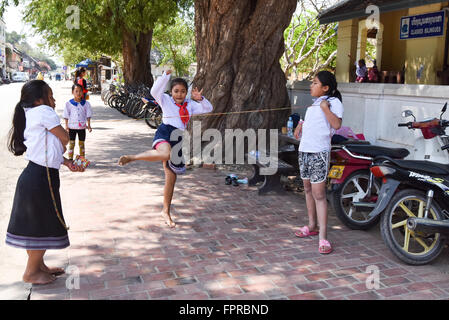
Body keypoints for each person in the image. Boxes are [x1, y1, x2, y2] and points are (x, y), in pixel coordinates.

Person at [6, 80, 84, 285]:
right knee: (41, 225)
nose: (54, 100)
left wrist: (66, 162)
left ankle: (39, 265)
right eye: (50, 96)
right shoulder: (45, 112)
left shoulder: (30, 113)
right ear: (39, 100)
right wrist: (64, 138)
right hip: (40, 178)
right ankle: (31, 272)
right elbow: (65, 138)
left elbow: (47, 148)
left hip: (34, 175)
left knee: (35, 225)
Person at [118, 70, 213, 228]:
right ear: (171, 92)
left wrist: (200, 99)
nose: (179, 94)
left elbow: (208, 108)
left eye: (183, 91)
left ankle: (166, 211)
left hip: (178, 138)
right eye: (176, 91)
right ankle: (132, 157)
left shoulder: (190, 105)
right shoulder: (166, 100)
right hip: (165, 132)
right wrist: (165, 77)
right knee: (165, 153)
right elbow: (155, 91)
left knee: (171, 178)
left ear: (186, 93)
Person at [293, 71, 344, 254]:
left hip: (319, 153)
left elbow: (336, 125)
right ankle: (312, 225)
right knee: (307, 189)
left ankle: (323, 236)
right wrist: (300, 125)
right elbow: (310, 124)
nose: (311, 86)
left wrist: (325, 108)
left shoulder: (332, 103)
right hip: (304, 150)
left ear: (325, 88)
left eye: (314, 83)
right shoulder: (313, 104)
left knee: (319, 194)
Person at [63, 83, 93, 160]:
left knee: (81, 144)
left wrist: (89, 126)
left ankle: (82, 159)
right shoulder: (68, 104)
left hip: (82, 128)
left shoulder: (86, 104)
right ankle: (70, 159)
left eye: (80, 91)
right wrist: (66, 126)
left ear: (83, 92)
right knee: (71, 144)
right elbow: (66, 116)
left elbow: (88, 115)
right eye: (76, 91)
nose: (78, 93)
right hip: (72, 127)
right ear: (72, 92)